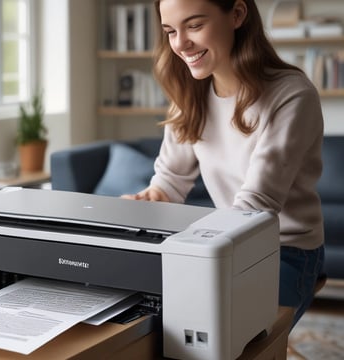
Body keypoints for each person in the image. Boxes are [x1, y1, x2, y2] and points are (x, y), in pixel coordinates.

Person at [123, 0, 325, 327]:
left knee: (215, 329)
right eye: (171, 31)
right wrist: (137, 207)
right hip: (226, 245)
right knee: (148, 321)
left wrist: (194, 255)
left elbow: (254, 208)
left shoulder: (291, 95)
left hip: (286, 251)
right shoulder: (191, 94)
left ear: (237, 15)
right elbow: (168, 185)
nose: (180, 44)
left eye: (194, 25)